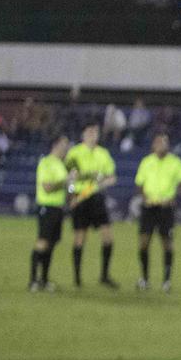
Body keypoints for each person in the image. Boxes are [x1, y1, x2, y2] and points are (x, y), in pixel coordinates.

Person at [132, 132, 181, 291]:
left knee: (167, 243)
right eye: (158, 142)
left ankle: (166, 281)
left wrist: (174, 195)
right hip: (149, 207)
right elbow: (140, 183)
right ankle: (144, 279)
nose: (161, 145)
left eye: (164, 142)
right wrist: (145, 198)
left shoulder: (175, 162)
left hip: (166, 208)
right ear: (153, 145)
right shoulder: (146, 162)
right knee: (144, 242)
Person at [65, 122, 119, 288]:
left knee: (107, 237)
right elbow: (70, 179)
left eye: (94, 132)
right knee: (80, 238)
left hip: (96, 198)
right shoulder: (74, 153)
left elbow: (111, 177)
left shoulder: (103, 153)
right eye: (88, 131)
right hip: (80, 199)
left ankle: (104, 275)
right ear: (83, 134)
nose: (91, 134)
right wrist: (72, 195)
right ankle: (77, 278)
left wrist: (101, 183)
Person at [27, 133, 71, 292]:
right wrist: (66, 182)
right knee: (42, 242)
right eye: (65, 144)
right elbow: (47, 187)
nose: (67, 147)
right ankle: (32, 280)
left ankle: (44, 280)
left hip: (58, 208)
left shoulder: (61, 164)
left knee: (51, 244)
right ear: (56, 144)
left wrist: (71, 188)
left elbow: (67, 187)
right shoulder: (46, 163)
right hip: (47, 207)